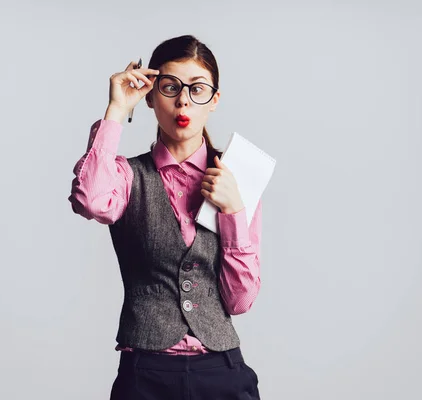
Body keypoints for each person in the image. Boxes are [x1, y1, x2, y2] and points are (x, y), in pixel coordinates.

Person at [68, 34, 262, 399]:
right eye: (170, 87)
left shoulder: (238, 179)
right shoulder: (125, 175)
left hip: (222, 371)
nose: (184, 100)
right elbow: (91, 201)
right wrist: (116, 109)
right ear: (151, 96)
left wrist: (234, 211)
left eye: (198, 88)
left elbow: (240, 301)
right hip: (146, 374)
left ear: (214, 100)